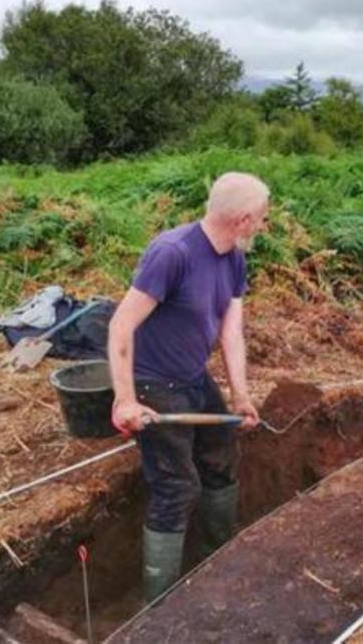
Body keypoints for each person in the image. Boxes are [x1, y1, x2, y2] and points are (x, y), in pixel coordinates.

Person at [108, 171, 269, 602]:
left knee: (221, 457)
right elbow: (121, 325)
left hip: (194, 378)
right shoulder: (172, 253)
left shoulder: (233, 257)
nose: (262, 226)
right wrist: (124, 399)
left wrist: (241, 394)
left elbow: (231, 332)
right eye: (262, 219)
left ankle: (219, 557)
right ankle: (157, 602)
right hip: (154, 383)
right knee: (176, 486)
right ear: (243, 219)